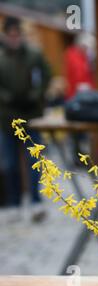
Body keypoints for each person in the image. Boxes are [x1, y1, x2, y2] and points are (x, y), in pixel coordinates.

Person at [0, 17, 51, 223]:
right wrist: (6, 97)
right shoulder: (1, 57)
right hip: (7, 117)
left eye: (17, 34)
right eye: (10, 35)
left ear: (20, 34)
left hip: (31, 116)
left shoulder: (34, 54)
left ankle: (36, 201)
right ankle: (14, 203)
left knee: (33, 161)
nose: (14, 38)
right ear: (5, 35)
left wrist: (35, 94)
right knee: (10, 163)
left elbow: (46, 76)